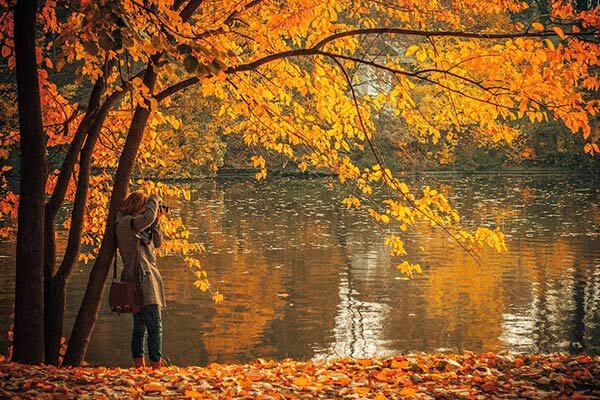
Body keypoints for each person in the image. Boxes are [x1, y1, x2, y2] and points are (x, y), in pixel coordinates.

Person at [116, 191, 166, 369]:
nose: (148, 210)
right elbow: (147, 218)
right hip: (139, 280)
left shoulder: (141, 228)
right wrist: (155, 198)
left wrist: (157, 221)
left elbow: (158, 242)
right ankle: (155, 368)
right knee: (155, 326)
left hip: (146, 280)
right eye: (145, 206)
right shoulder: (125, 223)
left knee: (141, 326)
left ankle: (141, 368)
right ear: (138, 206)